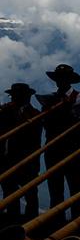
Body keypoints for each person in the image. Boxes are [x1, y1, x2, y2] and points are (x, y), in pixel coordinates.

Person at [42, 64, 80, 222]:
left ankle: (77, 223)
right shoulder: (51, 99)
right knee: (55, 189)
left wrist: (68, 112)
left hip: (73, 149)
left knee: (75, 188)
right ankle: (55, 222)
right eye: (58, 79)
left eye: (62, 78)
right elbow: (45, 124)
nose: (59, 82)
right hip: (53, 148)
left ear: (69, 80)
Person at [0, 83, 42, 219]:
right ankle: (12, 220)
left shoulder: (34, 114)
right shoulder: (5, 112)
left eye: (16, 97)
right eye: (13, 97)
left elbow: (34, 135)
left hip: (27, 160)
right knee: (9, 191)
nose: (13, 99)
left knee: (30, 192)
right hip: (7, 159)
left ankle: (32, 222)